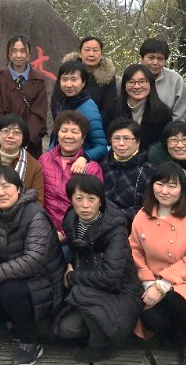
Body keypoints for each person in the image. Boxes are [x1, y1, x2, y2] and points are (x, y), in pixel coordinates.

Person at [129, 162, 186, 365]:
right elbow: (135, 251)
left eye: (172, 186)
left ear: (182, 189)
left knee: (178, 300)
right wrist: (148, 281)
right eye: (160, 184)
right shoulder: (142, 215)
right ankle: (174, 334)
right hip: (152, 280)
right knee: (150, 319)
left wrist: (163, 286)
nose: (164, 191)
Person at [0, 166, 64, 365]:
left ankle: (30, 341)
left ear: (19, 188)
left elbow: (32, 261)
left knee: (9, 291)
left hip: (42, 283)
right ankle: (16, 325)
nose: (1, 192)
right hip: (11, 278)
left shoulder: (35, 215)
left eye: (6, 186)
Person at [56, 174, 143, 363]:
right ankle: (102, 330)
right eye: (79, 198)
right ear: (71, 199)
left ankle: (102, 345)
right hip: (91, 285)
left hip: (120, 290)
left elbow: (110, 276)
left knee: (80, 293)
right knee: (66, 329)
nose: (85, 205)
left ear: (101, 201)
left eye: (91, 199)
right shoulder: (71, 220)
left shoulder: (115, 229)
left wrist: (72, 277)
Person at [39, 111, 103, 242]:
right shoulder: (44, 160)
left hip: (76, 235)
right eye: (64, 131)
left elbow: (94, 207)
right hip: (44, 231)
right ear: (57, 135)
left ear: (83, 138)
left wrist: (65, 233)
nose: (69, 136)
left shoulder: (91, 168)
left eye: (75, 132)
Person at [0, 35, 48, 158]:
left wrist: (23, 139)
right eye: (14, 51)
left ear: (29, 55)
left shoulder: (38, 79)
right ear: (9, 54)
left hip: (28, 144)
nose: (18, 55)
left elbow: (38, 113)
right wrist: (7, 137)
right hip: (2, 142)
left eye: (22, 51)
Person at [48, 60, 108, 162]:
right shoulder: (63, 102)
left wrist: (85, 157)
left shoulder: (89, 109)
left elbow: (101, 147)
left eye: (73, 79)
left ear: (83, 83)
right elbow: (55, 138)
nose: (68, 84)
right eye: (64, 79)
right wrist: (48, 156)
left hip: (80, 164)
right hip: (61, 160)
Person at [100, 118, 152, 228]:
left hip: (133, 225)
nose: (121, 143)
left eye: (127, 138)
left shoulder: (147, 170)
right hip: (100, 222)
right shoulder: (103, 164)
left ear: (137, 142)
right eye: (116, 138)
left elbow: (147, 207)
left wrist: (117, 216)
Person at [62, 36, 118, 127]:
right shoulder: (66, 71)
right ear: (80, 53)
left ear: (101, 54)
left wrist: (91, 124)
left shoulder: (108, 76)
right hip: (66, 126)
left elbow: (110, 107)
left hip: (97, 125)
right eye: (87, 50)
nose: (91, 54)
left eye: (95, 50)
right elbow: (56, 101)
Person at [115, 64, 173, 151]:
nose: (137, 86)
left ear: (151, 84)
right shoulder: (113, 110)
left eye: (142, 81)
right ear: (124, 86)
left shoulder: (163, 113)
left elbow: (165, 144)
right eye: (131, 82)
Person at [140, 38, 186, 121]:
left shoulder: (175, 80)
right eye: (151, 58)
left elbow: (180, 115)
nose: (155, 63)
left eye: (160, 59)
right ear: (141, 58)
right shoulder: (129, 77)